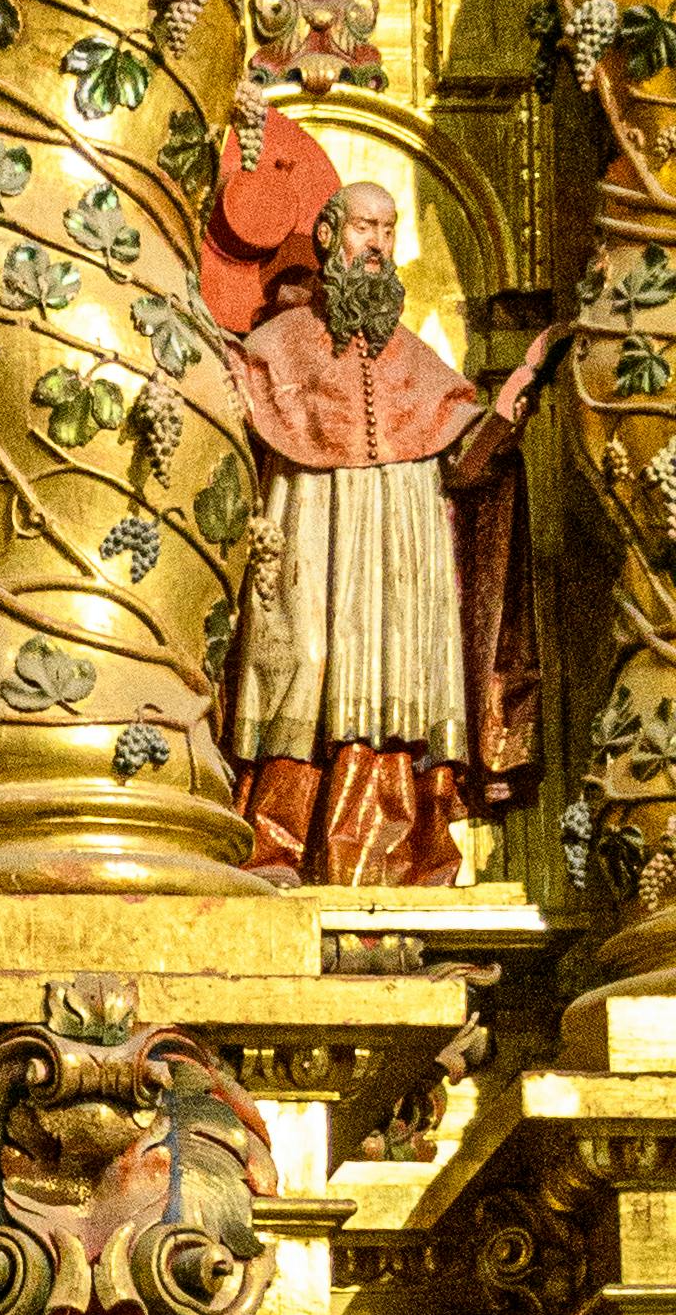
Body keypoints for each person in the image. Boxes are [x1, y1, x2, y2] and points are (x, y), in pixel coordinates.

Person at [225, 170, 555, 887]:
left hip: (405, 545)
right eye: (362, 227)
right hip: (310, 528)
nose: (376, 244)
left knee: (407, 672)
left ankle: (398, 856)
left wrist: (507, 409)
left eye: (387, 229)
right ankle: (279, 844)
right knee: (301, 662)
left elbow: (466, 463)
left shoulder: (418, 361)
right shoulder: (277, 347)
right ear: (326, 237)